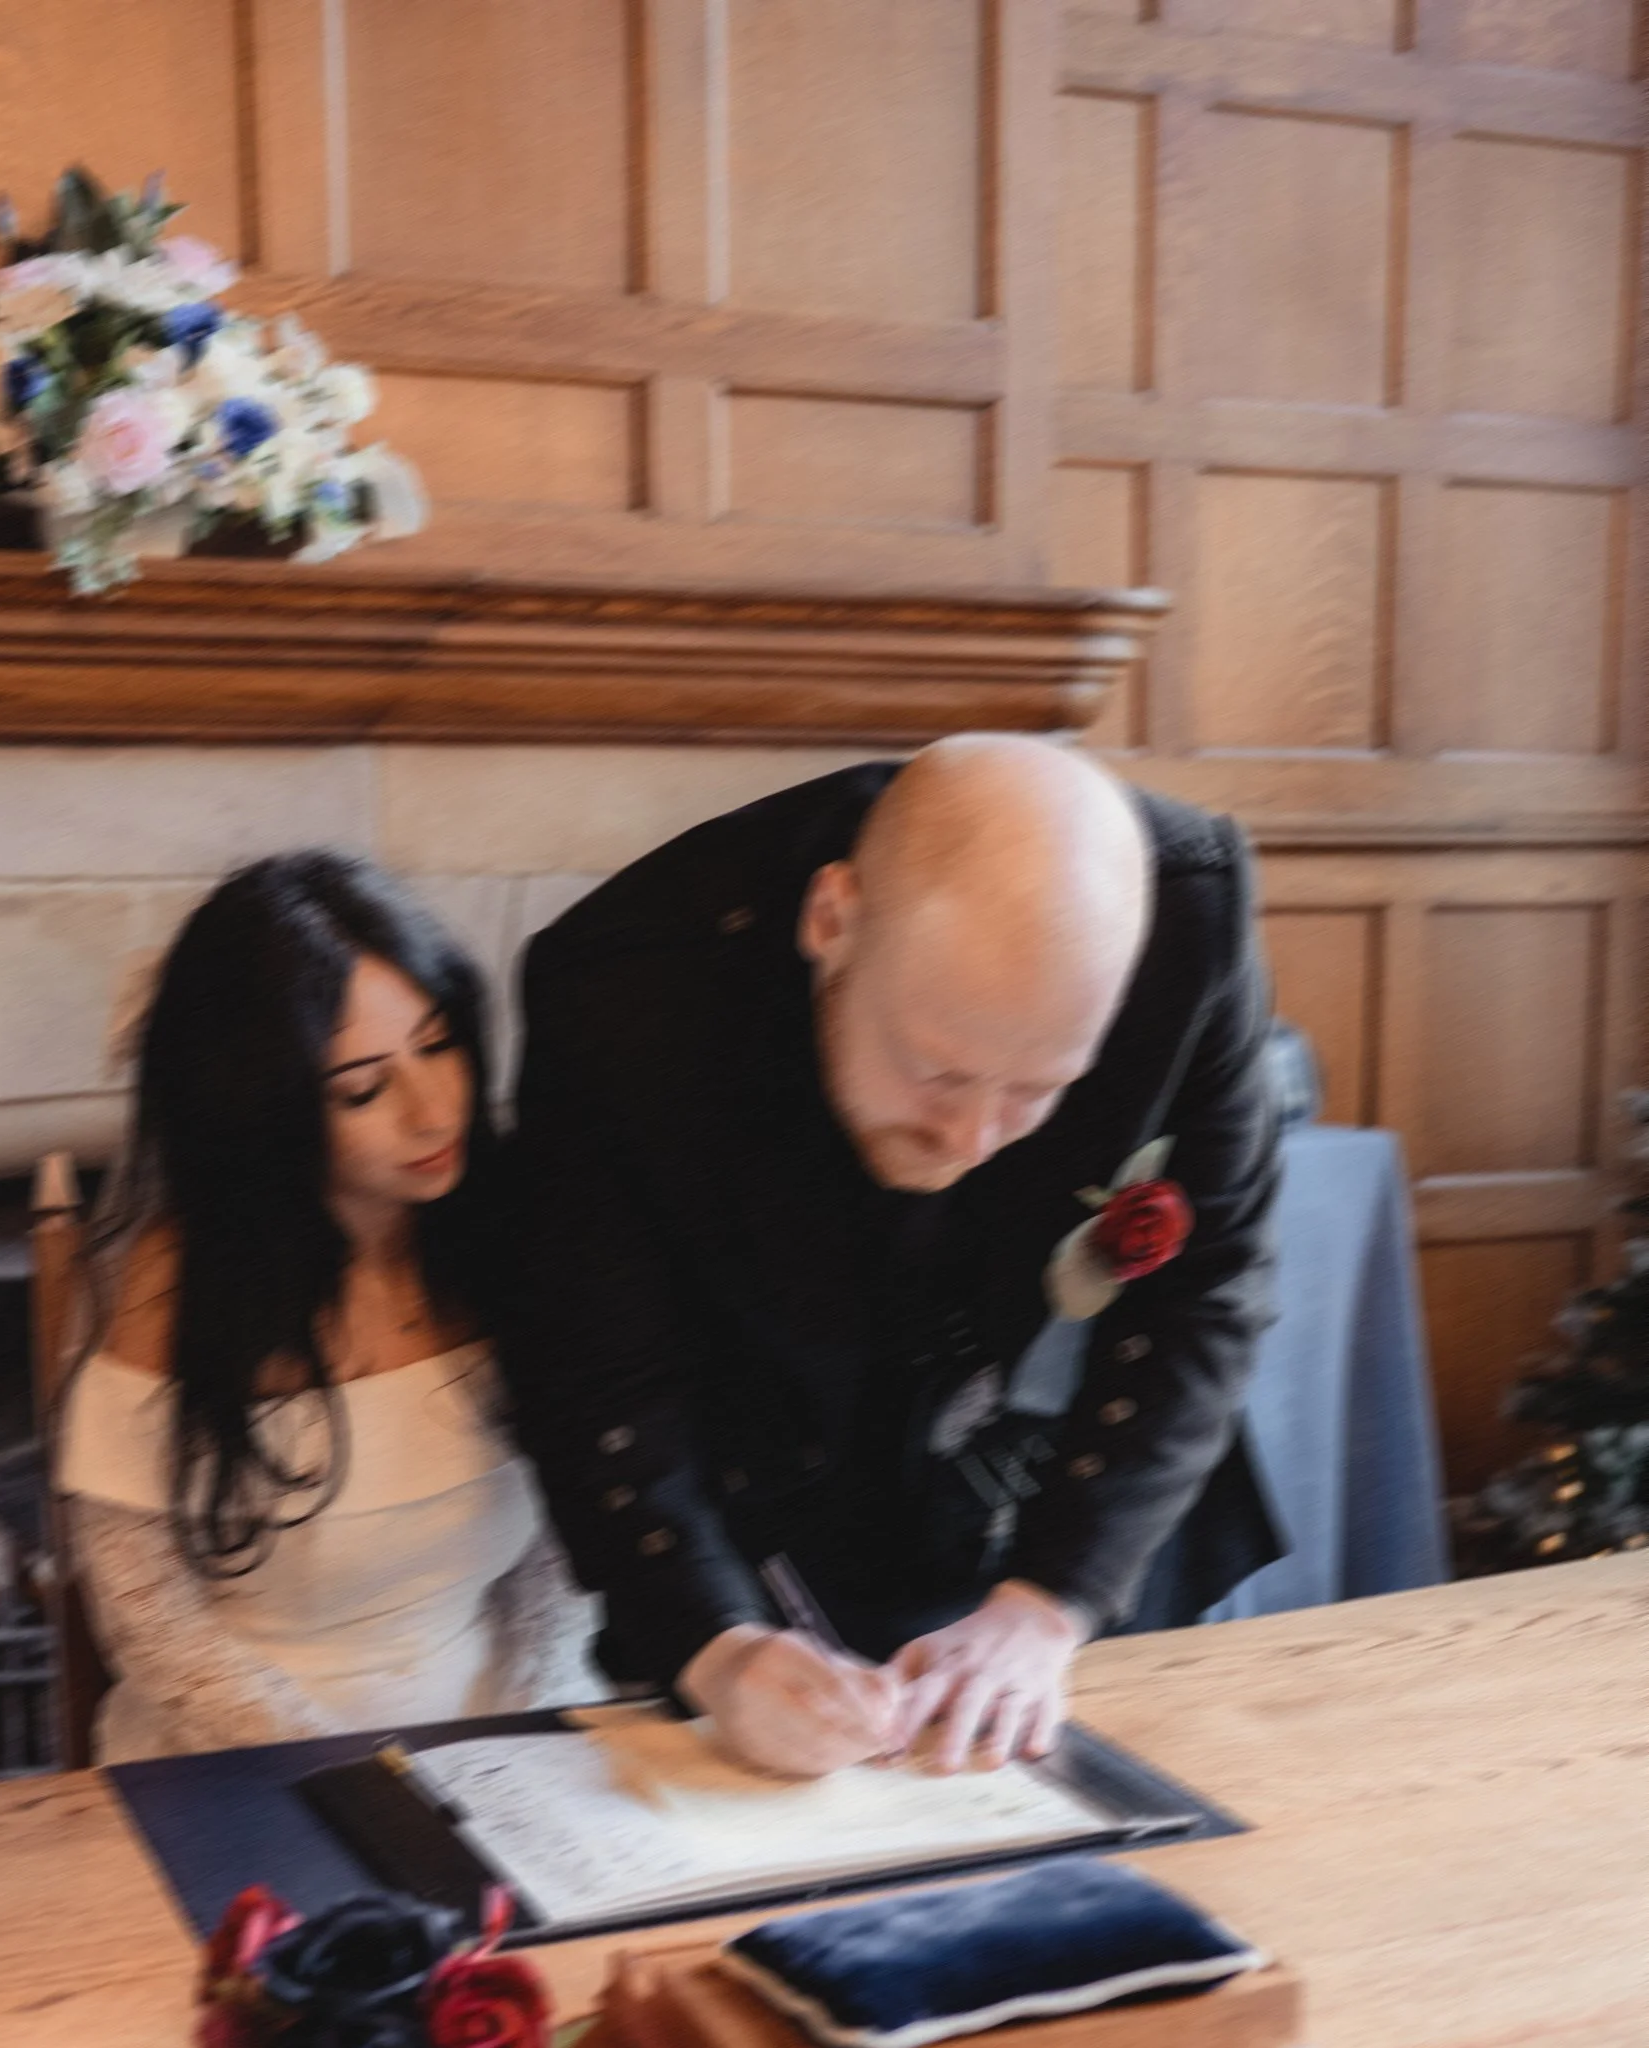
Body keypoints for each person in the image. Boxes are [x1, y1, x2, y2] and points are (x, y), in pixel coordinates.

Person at [509, 735, 1281, 1781]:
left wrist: (1048, 1606)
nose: (971, 1139)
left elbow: (1207, 1284)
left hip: (1071, 1488)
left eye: (1035, 1091)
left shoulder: (1189, 919)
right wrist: (715, 1642)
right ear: (832, 919)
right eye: (937, 1073)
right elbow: (598, 1360)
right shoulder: (628, 990)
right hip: (773, 1475)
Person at [59, 851, 596, 1760]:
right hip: (240, 1751)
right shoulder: (172, 1283)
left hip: (505, 1726)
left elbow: (563, 1538)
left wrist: (526, 1719)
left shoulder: (514, 1238)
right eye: (363, 1089)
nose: (433, 1114)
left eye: (439, 1045)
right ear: (259, 1111)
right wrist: (349, 1777)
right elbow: (143, 1604)